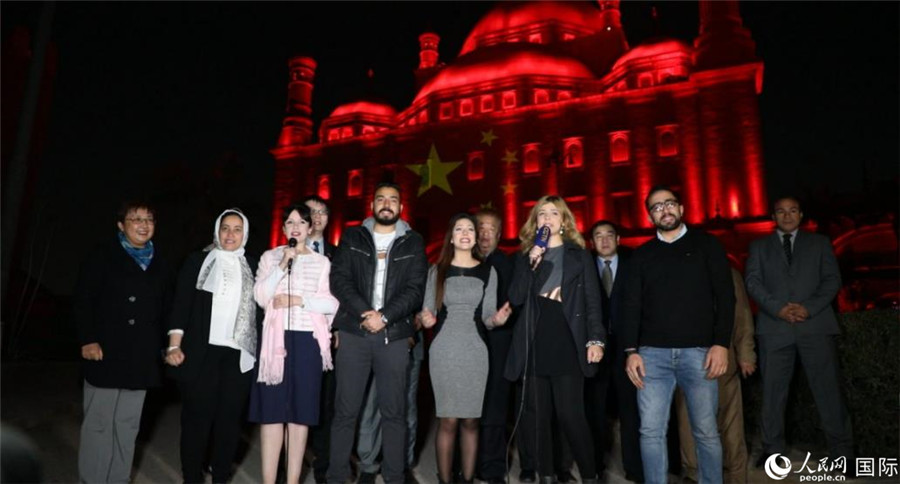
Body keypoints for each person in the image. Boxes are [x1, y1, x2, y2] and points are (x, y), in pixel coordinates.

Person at [622, 186, 735, 484]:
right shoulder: (641, 256)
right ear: (650, 215)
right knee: (650, 431)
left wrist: (721, 343)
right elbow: (631, 305)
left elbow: (725, 297)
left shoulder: (707, 245)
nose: (664, 210)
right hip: (651, 356)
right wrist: (630, 351)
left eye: (669, 204)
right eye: (657, 207)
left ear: (681, 209)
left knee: (706, 431)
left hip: (699, 353)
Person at [327, 182, 428, 484]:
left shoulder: (413, 242)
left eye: (393, 199)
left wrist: (384, 316)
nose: (387, 204)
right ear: (372, 205)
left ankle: (395, 476)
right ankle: (337, 476)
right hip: (355, 333)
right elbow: (340, 280)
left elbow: (415, 289)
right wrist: (365, 313)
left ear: (400, 207)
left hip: (394, 336)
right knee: (345, 412)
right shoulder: (353, 236)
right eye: (381, 199)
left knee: (394, 413)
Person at [745, 196, 854, 468]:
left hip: (815, 326)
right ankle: (772, 450)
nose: (787, 215)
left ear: (801, 214)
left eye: (793, 210)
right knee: (772, 393)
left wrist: (808, 308)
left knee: (828, 391)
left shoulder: (820, 243)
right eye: (781, 211)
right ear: (773, 216)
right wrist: (779, 309)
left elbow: (832, 281)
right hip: (774, 328)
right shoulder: (759, 247)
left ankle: (843, 454)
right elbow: (753, 282)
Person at [505, 195, 606, 484]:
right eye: (541, 214)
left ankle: (590, 475)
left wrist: (595, 340)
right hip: (534, 342)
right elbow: (515, 297)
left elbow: (592, 303)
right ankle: (546, 475)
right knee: (538, 419)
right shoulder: (527, 257)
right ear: (535, 222)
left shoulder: (579, 255)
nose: (547, 218)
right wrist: (534, 259)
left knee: (570, 415)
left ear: (563, 221)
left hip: (567, 340)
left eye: (553, 213)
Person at [74, 200, 175, 483]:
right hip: (104, 351)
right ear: (121, 225)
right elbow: (83, 300)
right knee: (99, 423)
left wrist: (169, 345)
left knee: (128, 425)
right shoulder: (102, 255)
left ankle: (118, 479)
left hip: (141, 356)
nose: (143, 225)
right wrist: (88, 339)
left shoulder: (162, 262)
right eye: (136, 219)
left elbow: (168, 309)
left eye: (149, 219)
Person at [164, 209, 259, 483]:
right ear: (217, 231)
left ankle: (220, 478)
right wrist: (174, 345)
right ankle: (192, 477)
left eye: (237, 229)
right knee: (197, 421)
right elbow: (181, 304)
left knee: (229, 425)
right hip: (201, 354)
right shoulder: (199, 261)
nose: (230, 234)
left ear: (245, 234)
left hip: (238, 356)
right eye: (225, 228)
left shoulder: (254, 266)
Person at [418, 213, 512, 484]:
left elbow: (488, 317)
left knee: (471, 421)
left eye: (470, 228)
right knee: (447, 420)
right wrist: (426, 319)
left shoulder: (488, 271)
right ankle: (446, 480)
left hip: (475, 350)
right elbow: (428, 312)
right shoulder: (436, 270)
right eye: (459, 228)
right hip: (444, 350)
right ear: (452, 236)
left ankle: (468, 479)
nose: (466, 232)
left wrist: (497, 319)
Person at [248, 203, 339, 484]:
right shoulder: (270, 257)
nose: (295, 227)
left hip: (307, 341)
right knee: (273, 414)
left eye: (301, 222)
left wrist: (300, 300)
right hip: (275, 339)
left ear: (310, 228)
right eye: (289, 222)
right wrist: (281, 266)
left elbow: (331, 304)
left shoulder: (321, 262)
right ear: (284, 228)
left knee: (300, 416)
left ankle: (293, 480)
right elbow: (261, 297)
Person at [674, 267, 756, 483]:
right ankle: (693, 474)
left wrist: (746, 353)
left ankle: (734, 477)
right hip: (685, 364)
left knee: (729, 425)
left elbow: (742, 315)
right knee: (687, 423)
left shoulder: (727, 273)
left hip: (722, 362)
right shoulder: (674, 270)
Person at [588, 220, 643, 483]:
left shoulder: (634, 264)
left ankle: (634, 468)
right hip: (595, 351)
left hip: (628, 348)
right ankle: (596, 466)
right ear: (592, 242)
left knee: (631, 410)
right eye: (598, 236)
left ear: (618, 239)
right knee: (595, 411)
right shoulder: (586, 266)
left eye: (609, 235)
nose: (605, 240)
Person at [474, 209, 518, 484]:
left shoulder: (508, 264)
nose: (486, 234)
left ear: (499, 235)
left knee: (495, 409)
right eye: (481, 228)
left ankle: (492, 468)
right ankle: (464, 464)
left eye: (492, 229)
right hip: (466, 345)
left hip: (499, 346)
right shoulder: (461, 260)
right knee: (466, 409)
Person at [301, 195, 337, 484]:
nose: (317, 217)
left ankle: (322, 467)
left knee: (327, 407)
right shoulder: (285, 252)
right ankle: (292, 465)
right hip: (296, 339)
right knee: (295, 405)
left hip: (329, 343)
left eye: (322, 212)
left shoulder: (339, 254)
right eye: (310, 212)